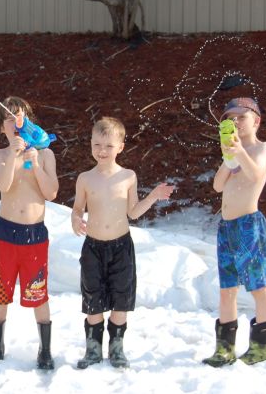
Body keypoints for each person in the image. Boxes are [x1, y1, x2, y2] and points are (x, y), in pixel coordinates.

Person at [70, 116, 174, 369]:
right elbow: (77, 208)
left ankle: (117, 348)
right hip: (93, 247)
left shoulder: (128, 176)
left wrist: (153, 196)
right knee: (92, 297)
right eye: (97, 144)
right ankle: (93, 349)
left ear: (120, 147)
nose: (102, 151)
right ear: (90, 144)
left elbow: (133, 212)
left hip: (121, 247)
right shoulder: (85, 178)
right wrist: (75, 220)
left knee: (121, 296)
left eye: (108, 146)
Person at [0, 97, 59, 370]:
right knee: (0, 293)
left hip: (35, 236)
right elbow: (4, 187)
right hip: (5, 235)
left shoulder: (45, 154)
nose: (16, 122)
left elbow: (51, 193)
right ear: (1, 127)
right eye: (9, 118)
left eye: (20, 116)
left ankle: (45, 349)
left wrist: (35, 164)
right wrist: (14, 156)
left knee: (38, 293)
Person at [203, 97, 266, 367]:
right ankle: (225, 348)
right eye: (230, 119)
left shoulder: (261, 148)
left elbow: (256, 175)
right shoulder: (232, 154)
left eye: (241, 117)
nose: (235, 122)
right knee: (227, 289)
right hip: (227, 228)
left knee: (258, 286)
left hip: (248, 225)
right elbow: (217, 186)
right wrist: (228, 158)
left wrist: (240, 152)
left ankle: (262, 345)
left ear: (256, 121)